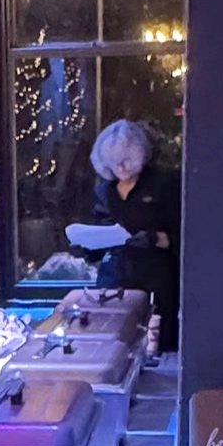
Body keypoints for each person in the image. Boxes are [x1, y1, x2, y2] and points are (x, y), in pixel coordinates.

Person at [89, 117, 180, 332]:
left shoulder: (163, 183)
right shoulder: (105, 190)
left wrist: (154, 238)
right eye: (113, 160)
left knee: (157, 336)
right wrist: (90, 244)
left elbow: (181, 233)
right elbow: (99, 225)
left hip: (156, 278)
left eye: (127, 159)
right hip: (116, 280)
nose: (120, 166)